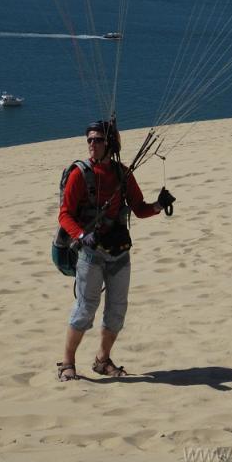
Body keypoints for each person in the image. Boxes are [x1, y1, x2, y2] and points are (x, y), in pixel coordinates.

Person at [57, 121, 176, 381]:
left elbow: (139, 208)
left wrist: (159, 204)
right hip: (91, 253)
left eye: (97, 140)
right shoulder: (80, 174)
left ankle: (102, 360)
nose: (91, 144)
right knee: (85, 308)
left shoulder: (122, 174)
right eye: (89, 139)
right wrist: (80, 235)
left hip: (119, 252)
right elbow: (64, 214)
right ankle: (67, 363)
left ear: (109, 144)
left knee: (117, 310)